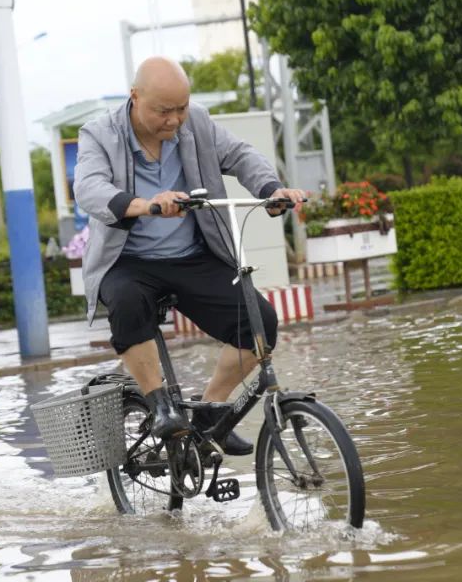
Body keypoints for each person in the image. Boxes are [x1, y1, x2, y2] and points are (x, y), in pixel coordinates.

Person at [73, 57, 306, 455]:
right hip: (128, 261)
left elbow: (241, 155)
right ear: (135, 97)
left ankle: (210, 412)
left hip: (192, 255)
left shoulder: (196, 122)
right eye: (163, 111)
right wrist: (146, 205)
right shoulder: (99, 133)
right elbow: (89, 188)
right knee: (127, 303)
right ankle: (159, 405)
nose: (175, 120)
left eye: (181, 108)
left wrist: (271, 189)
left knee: (260, 323)